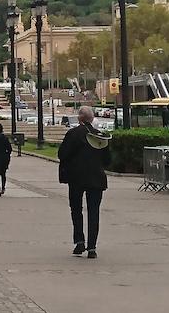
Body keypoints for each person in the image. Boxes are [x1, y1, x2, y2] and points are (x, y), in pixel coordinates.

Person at [58, 106, 112, 259]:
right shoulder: (100, 136)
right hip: (96, 178)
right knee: (94, 212)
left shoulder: (73, 134)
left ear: (80, 118)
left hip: (76, 178)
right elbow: (107, 160)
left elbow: (62, 154)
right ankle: (92, 247)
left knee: (76, 209)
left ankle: (79, 241)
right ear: (92, 118)